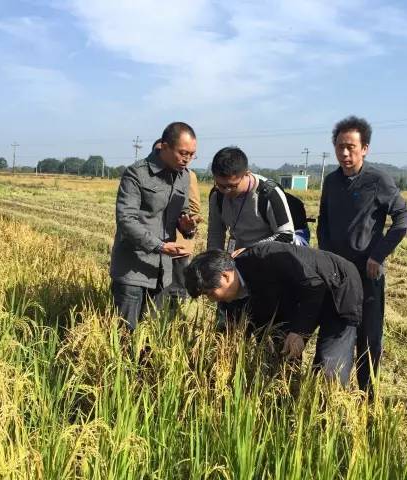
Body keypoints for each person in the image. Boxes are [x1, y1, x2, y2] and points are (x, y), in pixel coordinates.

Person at [317, 115, 407, 391]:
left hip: (367, 271)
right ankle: (335, 389)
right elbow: (323, 220)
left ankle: (368, 396)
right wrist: (325, 257)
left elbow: (403, 218)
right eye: (340, 147)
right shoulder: (332, 181)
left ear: (365, 148)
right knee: (336, 327)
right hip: (337, 272)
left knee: (368, 336)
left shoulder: (378, 180)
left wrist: (378, 255)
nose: (345, 153)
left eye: (351, 147)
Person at [183, 243, 363, 385]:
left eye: (209, 293)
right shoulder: (230, 298)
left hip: (335, 288)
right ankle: (287, 404)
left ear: (225, 276)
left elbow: (314, 286)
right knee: (278, 357)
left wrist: (299, 331)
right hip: (293, 301)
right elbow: (239, 332)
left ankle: (332, 411)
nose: (211, 300)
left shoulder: (266, 257)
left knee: (329, 367)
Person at [109, 122, 199, 330]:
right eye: (182, 153)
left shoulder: (184, 176)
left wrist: (187, 226)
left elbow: (182, 211)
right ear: (164, 147)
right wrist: (159, 246)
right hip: (133, 269)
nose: (186, 159)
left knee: (152, 335)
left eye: (192, 154)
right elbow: (126, 220)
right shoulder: (137, 174)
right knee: (125, 333)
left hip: (163, 272)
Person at [207, 146, 296, 324]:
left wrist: (251, 250)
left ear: (246, 174)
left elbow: (286, 235)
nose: (226, 191)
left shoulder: (268, 194)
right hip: (235, 269)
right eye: (220, 185)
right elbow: (215, 233)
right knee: (230, 327)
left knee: (267, 328)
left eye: (232, 186)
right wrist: (212, 266)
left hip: (267, 267)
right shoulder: (217, 196)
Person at [151, 138, 202, 304]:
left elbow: (193, 208)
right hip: (154, 244)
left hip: (178, 245)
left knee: (176, 291)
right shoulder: (147, 176)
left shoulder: (187, 176)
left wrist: (180, 220)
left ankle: (173, 325)